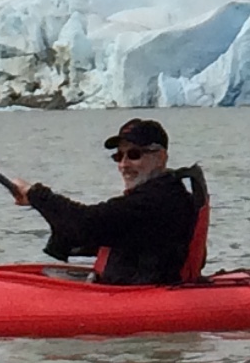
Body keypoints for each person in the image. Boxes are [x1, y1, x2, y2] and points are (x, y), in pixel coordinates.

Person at [14, 116, 207, 285]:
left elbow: (86, 223)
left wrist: (36, 194)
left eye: (134, 155)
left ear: (161, 158)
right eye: (118, 156)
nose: (123, 164)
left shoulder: (157, 201)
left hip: (144, 296)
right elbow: (102, 230)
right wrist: (41, 206)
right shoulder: (165, 194)